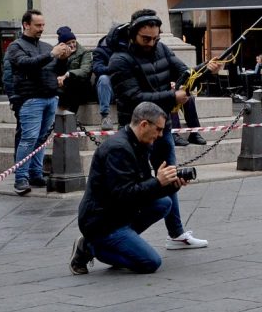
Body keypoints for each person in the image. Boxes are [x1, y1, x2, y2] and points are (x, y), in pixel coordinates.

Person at [107, 9, 214, 251]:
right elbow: (134, 98)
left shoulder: (162, 48)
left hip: (161, 127)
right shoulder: (120, 60)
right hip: (136, 131)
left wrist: (206, 69)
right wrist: (172, 96)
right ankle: (112, 233)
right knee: (135, 187)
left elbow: (184, 73)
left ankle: (176, 234)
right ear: (133, 34)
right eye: (146, 39)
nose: (151, 43)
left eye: (155, 38)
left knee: (170, 177)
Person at [70, 102, 187, 275]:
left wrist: (170, 185)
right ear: (144, 124)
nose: (160, 135)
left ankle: (119, 244)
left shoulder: (139, 144)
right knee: (150, 262)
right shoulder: (118, 149)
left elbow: (143, 187)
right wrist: (158, 182)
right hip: (101, 221)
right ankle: (90, 247)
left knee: (164, 203)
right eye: (158, 129)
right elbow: (124, 194)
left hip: (119, 212)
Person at [6, 9, 72, 195]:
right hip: (30, 99)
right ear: (26, 25)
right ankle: (21, 178)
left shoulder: (46, 46)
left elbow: (56, 70)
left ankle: (36, 174)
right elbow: (26, 64)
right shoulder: (16, 46)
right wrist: (52, 54)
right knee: (28, 139)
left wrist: (63, 59)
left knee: (42, 139)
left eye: (43, 25)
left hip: (50, 97)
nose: (41, 28)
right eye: (37, 25)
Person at [91, 24, 126, 131]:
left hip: (125, 88)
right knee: (104, 79)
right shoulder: (101, 50)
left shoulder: (128, 47)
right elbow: (97, 68)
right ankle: (105, 116)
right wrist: (113, 68)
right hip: (109, 90)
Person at [56, 27, 96, 116]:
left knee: (74, 83)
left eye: (73, 42)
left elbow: (85, 70)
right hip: (62, 86)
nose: (72, 45)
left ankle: (70, 116)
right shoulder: (56, 53)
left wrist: (68, 74)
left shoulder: (84, 52)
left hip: (81, 87)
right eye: (68, 43)